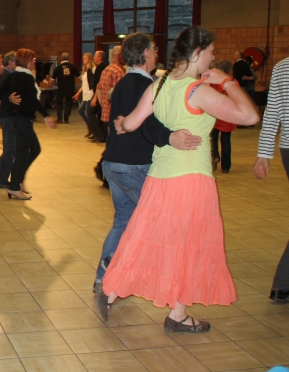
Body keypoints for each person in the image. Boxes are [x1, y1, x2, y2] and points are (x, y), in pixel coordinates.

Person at [98, 26, 259, 333]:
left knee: (148, 236)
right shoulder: (197, 91)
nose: (213, 57)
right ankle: (178, 314)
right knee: (190, 245)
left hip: (159, 178)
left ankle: (115, 289)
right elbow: (250, 116)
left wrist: (120, 122)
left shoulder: (159, 84)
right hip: (191, 180)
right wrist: (228, 81)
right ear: (197, 53)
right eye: (211, 52)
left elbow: (130, 123)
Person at [92, 33, 202, 294]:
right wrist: (170, 137)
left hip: (114, 163)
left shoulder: (124, 82)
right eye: (154, 49)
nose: (157, 53)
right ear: (144, 53)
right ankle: (119, 267)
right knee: (157, 221)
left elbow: (124, 119)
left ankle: (103, 280)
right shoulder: (145, 86)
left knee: (123, 222)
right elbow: (148, 124)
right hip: (133, 166)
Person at [0, 48, 56, 200]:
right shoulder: (25, 77)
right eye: (33, 60)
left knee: (34, 149)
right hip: (21, 120)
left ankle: (18, 181)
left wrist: (8, 99)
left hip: (19, 119)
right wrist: (46, 116)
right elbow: (33, 100)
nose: (34, 62)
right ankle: (15, 186)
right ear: (26, 61)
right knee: (22, 153)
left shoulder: (15, 76)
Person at [253, 55, 289, 302]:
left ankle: (282, 284)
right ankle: (282, 283)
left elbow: (272, 112)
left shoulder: (282, 67)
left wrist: (264, 154)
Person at [0, 52, 18, 189]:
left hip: (7, 115)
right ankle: (1, 180)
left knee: (12, 148)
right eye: (16, 61)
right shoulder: (7, 75)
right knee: (10, 150)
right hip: (6, 116)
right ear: (10, 62)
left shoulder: (7, 75)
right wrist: (8, 99)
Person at [210, 59, 237, 173]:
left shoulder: (215, 81)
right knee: (226, 141)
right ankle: (226, 167)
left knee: (213, 138)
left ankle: (215, 156)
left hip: (215, 113)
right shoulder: (233, 82)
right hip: (228, 115)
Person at [52, 52, 80, 123]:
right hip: (70, 88)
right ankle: (66, 119)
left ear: (61, 58)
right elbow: (79, 76)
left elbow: (52, 78)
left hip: (61, 88)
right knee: (69, 103)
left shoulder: (58, 67)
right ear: (68, 58)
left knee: (59, 102)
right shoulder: (72, 67)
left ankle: (59, 118)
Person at [89, 50, 109, 141]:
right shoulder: (100, 67)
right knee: (100, 115)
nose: (94, 57)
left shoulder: (101, 68)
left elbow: (99, 84)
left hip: (99, 95)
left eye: (95, 56)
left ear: (100, 58)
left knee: (90, 113)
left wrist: (95, 97)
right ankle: (103, 135)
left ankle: (100, 134)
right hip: (99, 95)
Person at [74, 53, 96, 137]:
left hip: (90, 93)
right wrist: (78, 93)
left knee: (88, 113)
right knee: (81, 111)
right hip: (85, 94)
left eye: (85, 58)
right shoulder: (85, 70)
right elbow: (84, 85)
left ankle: (94, 130)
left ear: (89, 59)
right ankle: (90, 128)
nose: (84, 59)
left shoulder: (93, 68)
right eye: (83, 58)